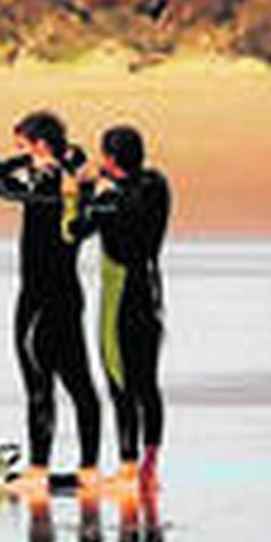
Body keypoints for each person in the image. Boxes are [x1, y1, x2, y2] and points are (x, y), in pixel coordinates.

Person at [0, 111, 102, 500]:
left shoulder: (42, 184)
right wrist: (64, 157)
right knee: (80, 384)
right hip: (69, 296)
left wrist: (30, 166)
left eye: (22, 147)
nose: (19, 155)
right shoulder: (81, 185)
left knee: (38, 385)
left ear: (40, 146)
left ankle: (37, 470)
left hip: (38, 300)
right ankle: (90, 471)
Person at [71, 125, 172, 493]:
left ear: (110, 159)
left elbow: (74, 229)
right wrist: (108, 182)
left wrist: (83, 190)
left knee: (118, 380)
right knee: (147, 383)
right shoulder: (157, 185)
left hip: (119, 299)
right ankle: (149, 468)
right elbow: (136, 189)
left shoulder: (110, 202)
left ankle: (128, 468)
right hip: (149, 291)